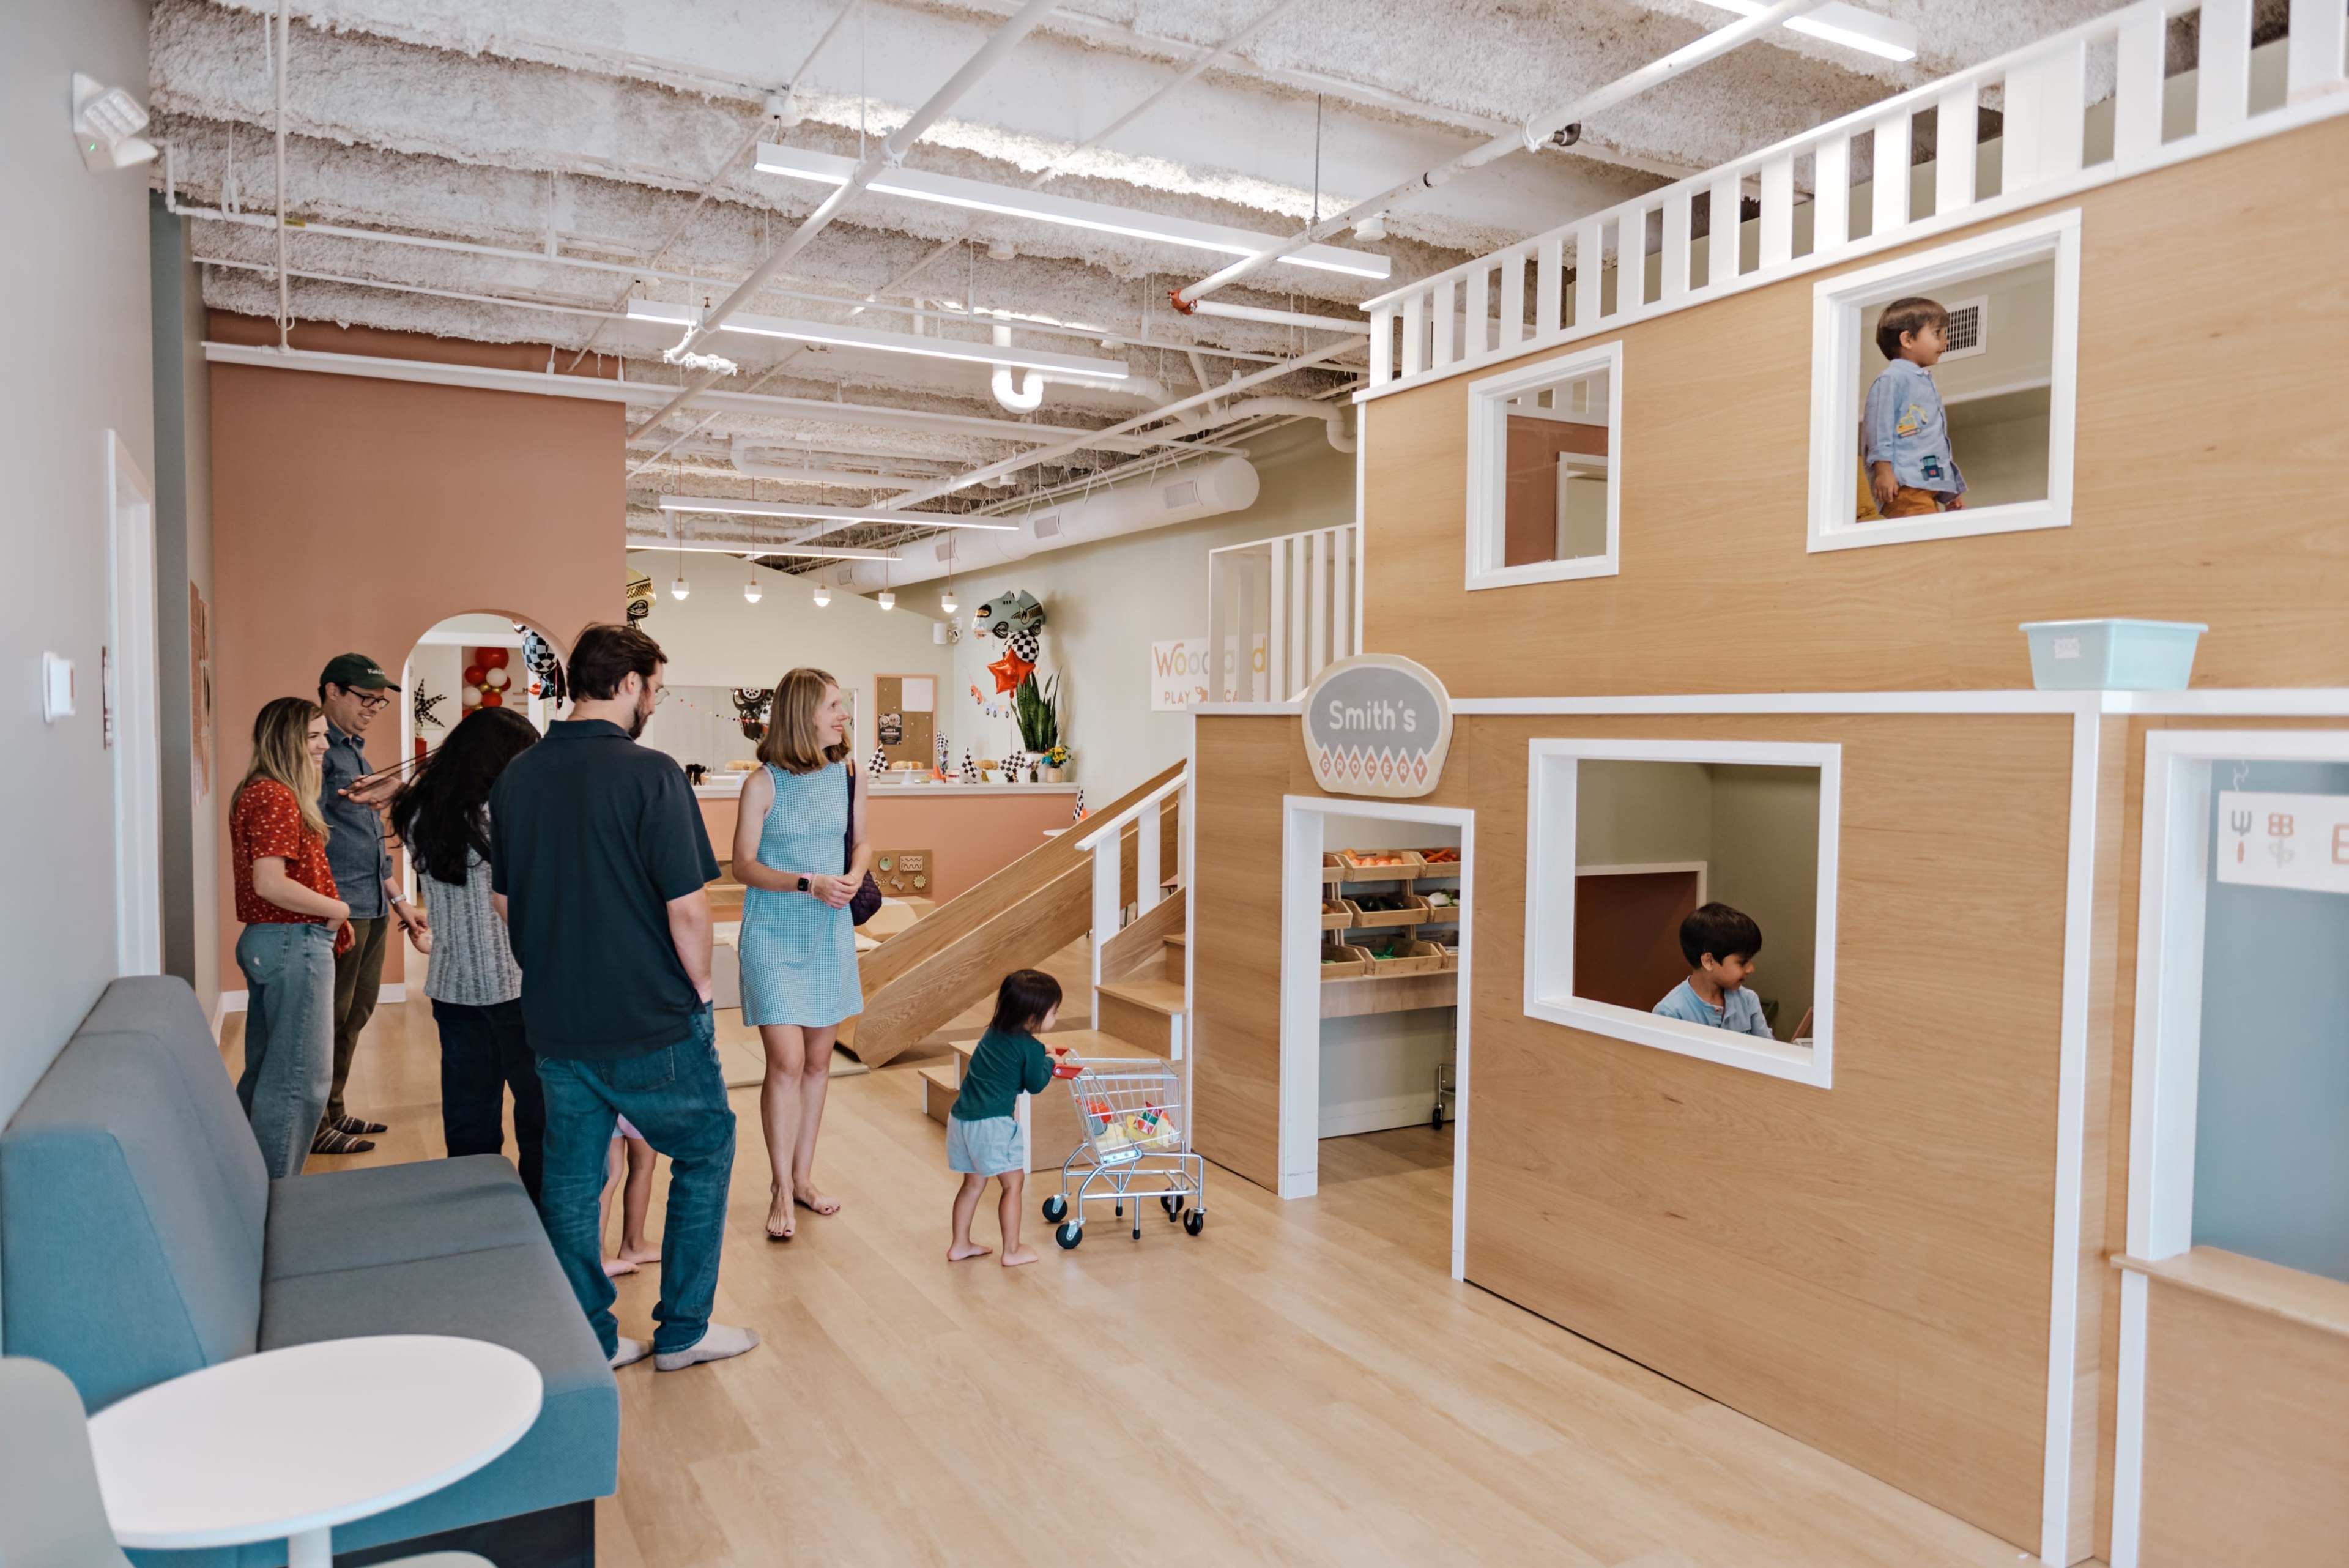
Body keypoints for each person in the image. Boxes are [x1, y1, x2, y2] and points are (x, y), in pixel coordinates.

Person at [490, 623, 756, 1374]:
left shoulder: (517, 776)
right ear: (630, 684)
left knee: (573, 1179)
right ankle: (683, 1332)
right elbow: (689, 909)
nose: (654, 704)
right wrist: (702, 987)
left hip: (554, 1019)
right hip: (649, 1019)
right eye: (655, 688)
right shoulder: (653, 774)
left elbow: (504, 900)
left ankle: (592, 1341)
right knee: (705, 1149)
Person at [731, 666, 867, 1241]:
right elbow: (742, 865)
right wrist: (807, 883)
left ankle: (804, 1178)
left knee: (818, 1062)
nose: (843, 715)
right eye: (833, 705)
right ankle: (780, 1186)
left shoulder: (850, 771)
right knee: (785, 1063)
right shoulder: (762, 783)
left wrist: (854, 876)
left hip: (829, 931)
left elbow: (862, 841)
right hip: (773, 932)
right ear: (803, 713)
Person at [390, 706, 545, 1200]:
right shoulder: (506, 814)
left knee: (469, 1115)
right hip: (519, 983)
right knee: (540, 1114)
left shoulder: (419, 813)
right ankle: (539, 1217)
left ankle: (479, 1217)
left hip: (453, 984)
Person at [228, 699, 351, 1179]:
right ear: (285, 741)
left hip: (271, 942)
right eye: (313, 737)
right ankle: (276, 1199)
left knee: (266, 1072)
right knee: (301, 1080)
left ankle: (242, 1182)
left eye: (323, 735)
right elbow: (270, 882)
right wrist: (337, 910)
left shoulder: (256, 791)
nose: (324, 745)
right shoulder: (276, 795)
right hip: (291, 942)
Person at [313, 652, 431, 1156]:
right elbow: (315, 835)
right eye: (365, 698)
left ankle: (335, 1110)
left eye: (378, 702)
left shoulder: (358, 754)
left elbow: (369, 843)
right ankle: (317, 1122)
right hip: (341, 907)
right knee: (330, 1017)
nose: (371, 709)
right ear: (332, 691)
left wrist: (402, 903)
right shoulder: (319, 755)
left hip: (374, 905)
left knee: (357, 1012)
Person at [948, 969, 1068, 1268]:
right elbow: (1035, 1084)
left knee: (973, 1184)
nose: (1055, 1017)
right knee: (1013, 1183)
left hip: (962, 1119)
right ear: (1033, 1017)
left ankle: (960, 1244)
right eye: (1054, 1012)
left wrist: (1041, 1053)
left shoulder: (994, 1032)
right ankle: (1012, 1250)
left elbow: (1016, 1058)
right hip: (993, 1124)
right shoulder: (1030, 1047)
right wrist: (1050, 1062)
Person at [1860, 296, 1968, 521]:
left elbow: (1932, 442)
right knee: (1926, 544)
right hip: (1905, 487)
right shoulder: (1892, 379)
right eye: (1937, 333)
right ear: (1908, 339)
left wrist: (1948, 491)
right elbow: (1879, 427)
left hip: (1925, 487)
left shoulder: (1922, 381)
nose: (1945, 341)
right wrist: (1883, 471)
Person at [1652, 902, 1777, 1041]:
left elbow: (1768, 1049)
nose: (1751, 969)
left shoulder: (1748, 1000)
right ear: (1709, 961)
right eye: (1743, 962)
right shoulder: (1671, 1013)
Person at [601, 1120, 659, 1277]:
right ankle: (634, 1245)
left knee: (610, 1172)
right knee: (643, 1164)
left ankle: (596, 1254)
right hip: (640, 1101)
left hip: (607, 1098)